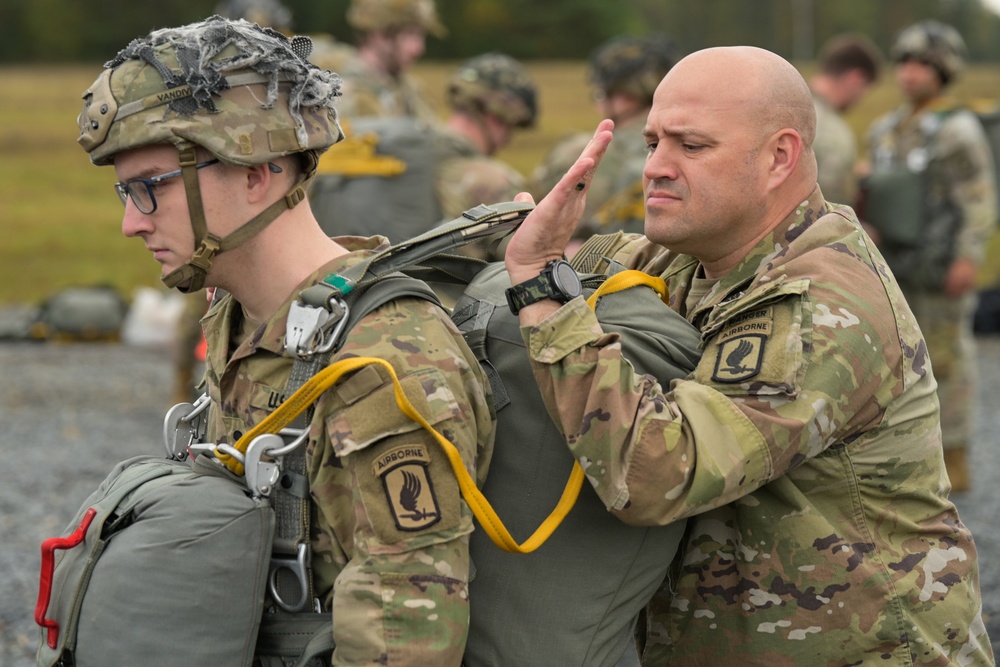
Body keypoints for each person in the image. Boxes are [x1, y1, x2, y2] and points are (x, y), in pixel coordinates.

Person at [502, 45, 993, 664]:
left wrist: (541, 289)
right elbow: (583, 257)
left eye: (692, 146)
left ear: (778, 158)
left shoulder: (822, 304)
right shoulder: (704, 252)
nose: (656, 166)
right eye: (654, 142)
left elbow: (658, 471)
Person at [76, 15, 493, 664]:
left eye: (150, 188)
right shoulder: (237, 313)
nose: (132, 223)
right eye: (124, 192)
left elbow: (404, 645)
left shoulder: (381, 366)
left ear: (256, 173)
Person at [864, 20, 997, 493]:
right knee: (898, 360)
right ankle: (907, 453)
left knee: (947, 360)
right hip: (896, 266)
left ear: (944, 71)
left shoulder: (955, 129)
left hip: (941, 268)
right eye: (903, 62)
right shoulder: (887, 129)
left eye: (922, 64)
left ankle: (954, 456)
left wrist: (967, 257)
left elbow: (978, 198)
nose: (909, 73)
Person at [529, 34, 679, 240]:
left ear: (625, 97)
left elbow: (532, 222)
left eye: (600, 94)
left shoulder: (578, 153)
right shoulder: (691, 150)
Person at [310, 0, 445, 124]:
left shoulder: (407, 89)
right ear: (380, 35)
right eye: (411, 34)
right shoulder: (338, 94)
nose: (419, 49)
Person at [809, 32, 881, 206]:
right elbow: (831, 203)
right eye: (864, 88)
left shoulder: (784, 103)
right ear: (856, 78)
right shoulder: (833, 131)